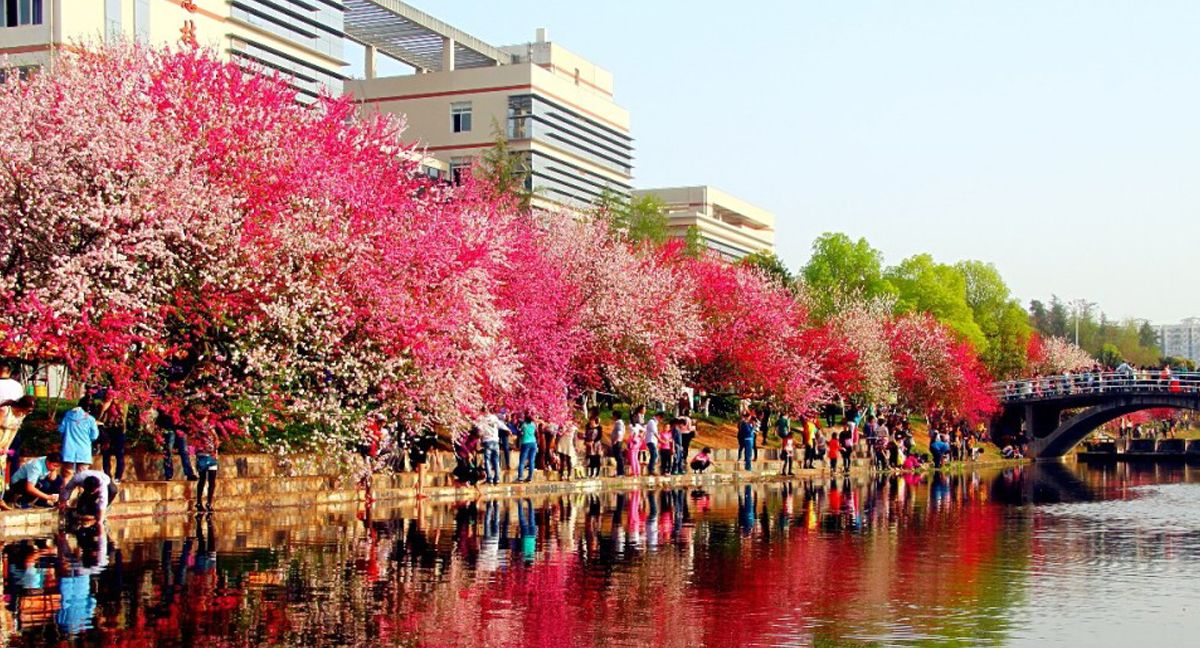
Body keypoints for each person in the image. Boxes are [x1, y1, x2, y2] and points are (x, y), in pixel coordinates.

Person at [59, 396, 99, 484]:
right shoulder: (91, 419)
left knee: (67, 477)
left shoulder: (68, 415)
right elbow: (94, 436)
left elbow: (61, 430)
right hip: (84, 452)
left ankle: (65, 493)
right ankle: (82, 493)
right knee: (83, 478)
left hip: (68, 450)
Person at [158, 411, 196, 481]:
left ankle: (189, 474)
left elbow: (186, 414)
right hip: (169, 428)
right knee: (168, 451)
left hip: (181, 429)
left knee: (184, 451)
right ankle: (168, 474)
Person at [194, 433, 219, 512]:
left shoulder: (213, 430)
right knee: (202, 479)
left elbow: (216, 441)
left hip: (212, 457)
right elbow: (195, 442)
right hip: (202, 456)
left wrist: (216, 445)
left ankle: (209, 503)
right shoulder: (198, 430)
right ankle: (199, 502)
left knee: (212, 481)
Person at [477, 411, 503, 485]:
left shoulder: (482, 419)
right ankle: (497, 478)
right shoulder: (494, 418)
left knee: (487, 460)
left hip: (487, 441)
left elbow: (479, 430)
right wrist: (508, 429)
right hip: (495, 441)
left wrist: (480, 439)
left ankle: (489, 478)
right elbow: (501, 425)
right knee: (496, 461)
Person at [516, 413, 538, 483]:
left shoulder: (523, 424)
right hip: (533, 443)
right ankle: (530, 477)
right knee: (531, 461)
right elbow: (536, 434)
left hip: (525, 442)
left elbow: (519, 433)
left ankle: (520, 477)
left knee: (522, 461)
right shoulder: (533, 424)